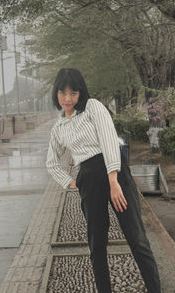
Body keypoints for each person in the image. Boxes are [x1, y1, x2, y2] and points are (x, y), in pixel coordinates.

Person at [46, 68, 161, 293]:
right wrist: (72, 182)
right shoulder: (58, 127)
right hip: (88, 178)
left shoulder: (93, 107)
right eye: (63, 93)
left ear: (81, 92)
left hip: (115, 172)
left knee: (137, 238)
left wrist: (114, 181)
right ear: (56, 93)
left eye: (73, 93)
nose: (68, 99)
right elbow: (51, 163)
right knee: (96, 245)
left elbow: (109, 141)